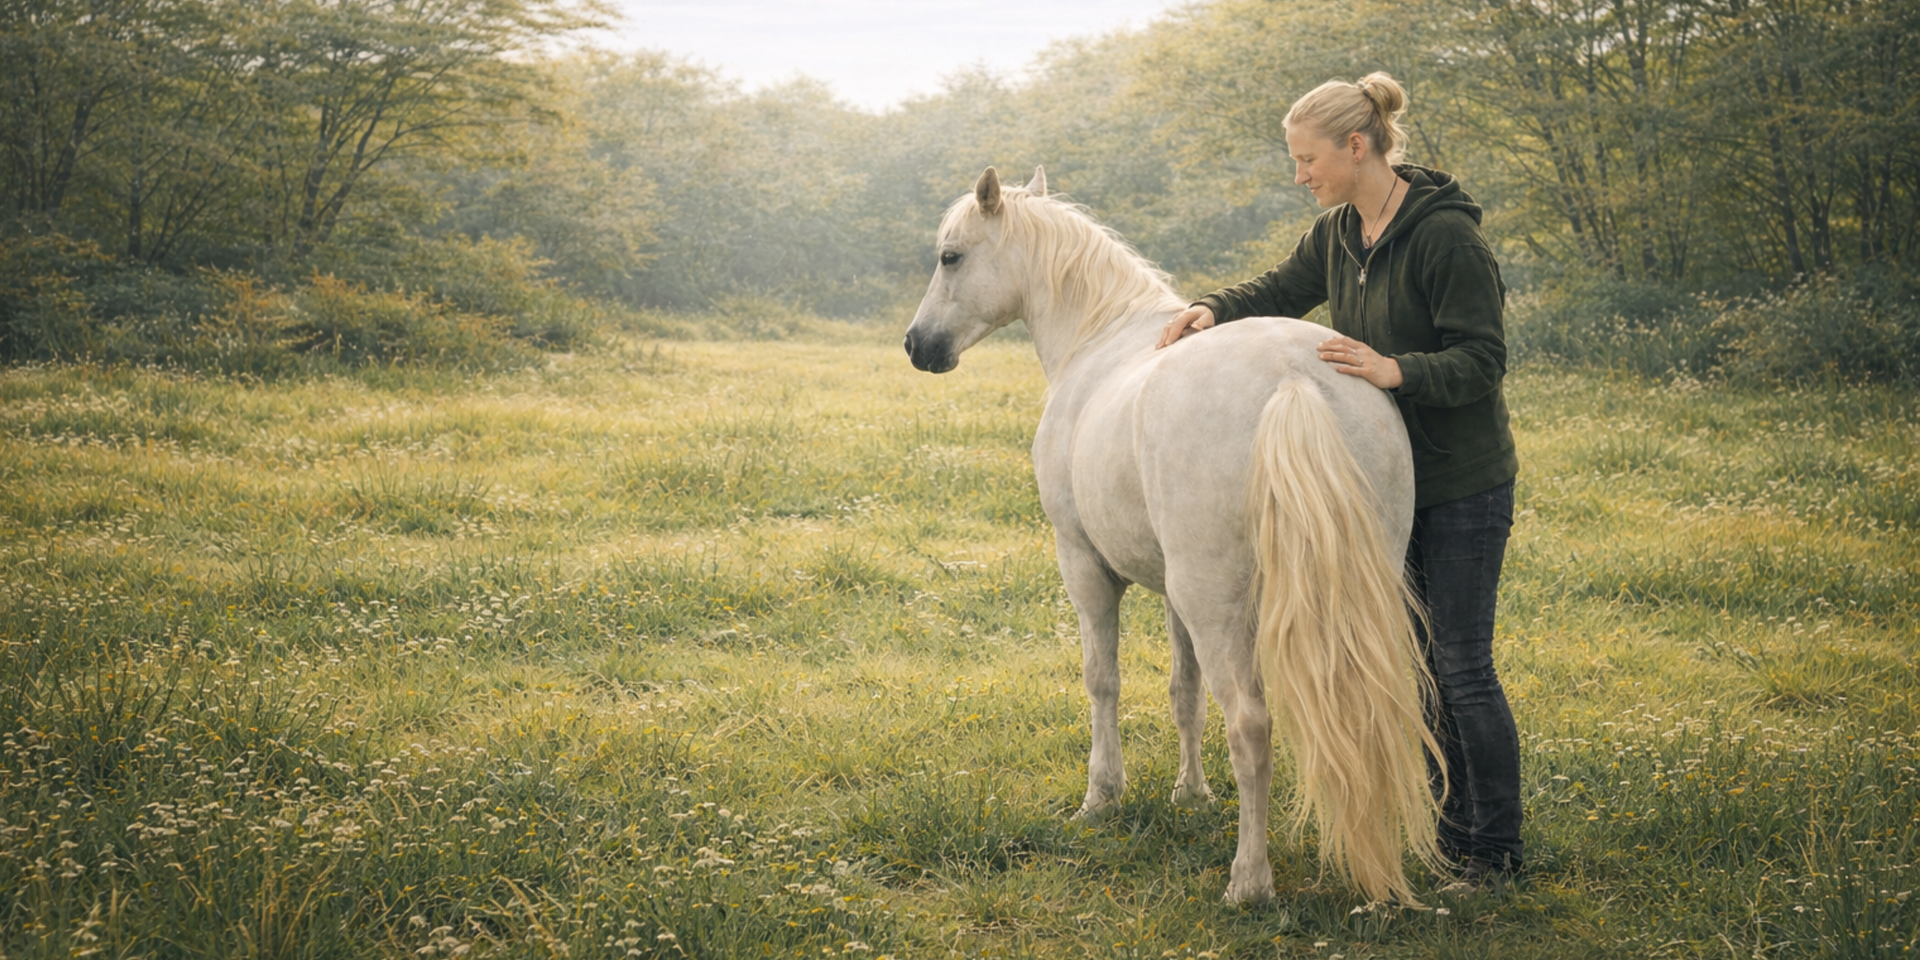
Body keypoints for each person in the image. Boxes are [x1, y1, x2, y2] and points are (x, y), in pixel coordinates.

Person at [1155, 72, 1523, 891]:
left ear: (1356, 146)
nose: (1299, 176)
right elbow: (1279, 289)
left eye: (1306, 159)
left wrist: (1396, 370)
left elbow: (1484, 358)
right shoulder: (1339, 233)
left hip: (1460, 483)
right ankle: (1447, 834)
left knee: (1461, 666)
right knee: (1414, 661)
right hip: (1378, 483)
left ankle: (1495, 850)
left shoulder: (1446, 238)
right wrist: (1211, 309)